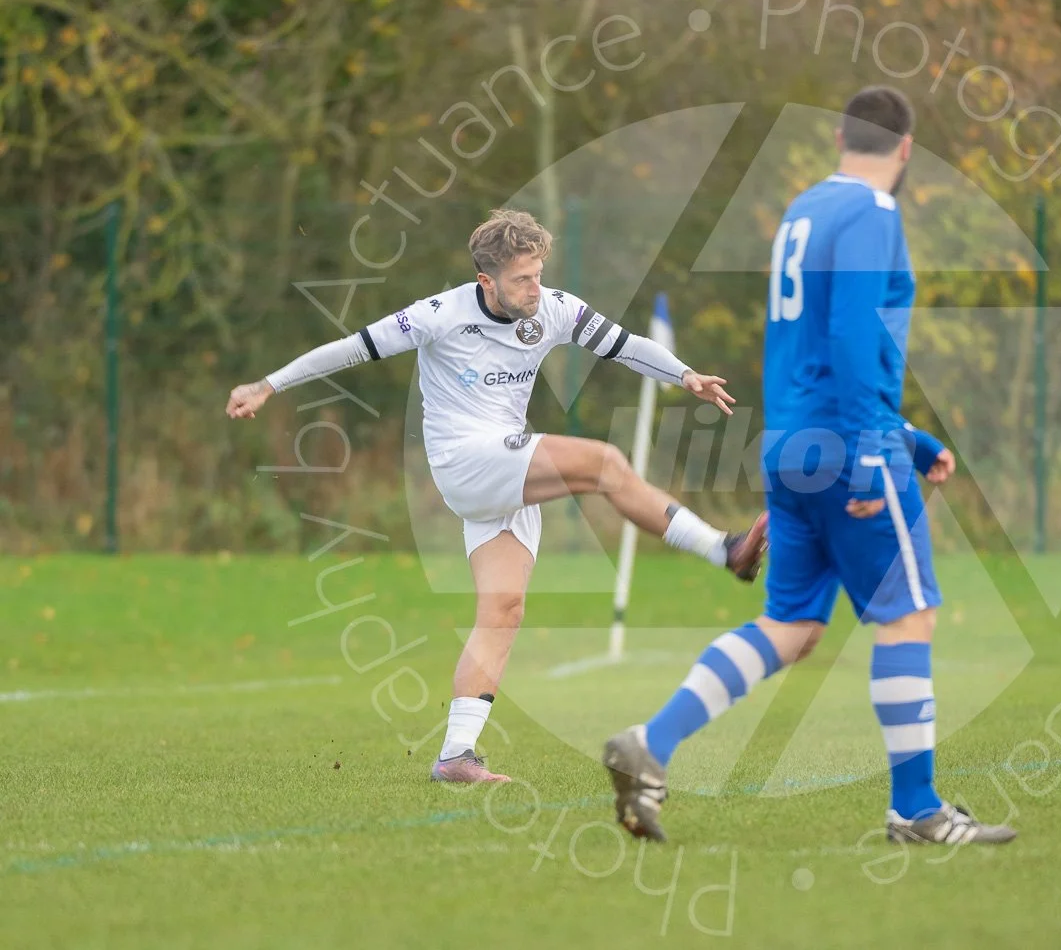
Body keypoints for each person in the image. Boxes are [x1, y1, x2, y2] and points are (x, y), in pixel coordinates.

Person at [602, 87, 1016, 845]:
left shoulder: (803, 211)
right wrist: (873, 457)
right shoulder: (873, 213)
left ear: (837, 138)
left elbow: (815, 349)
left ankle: (650, 744)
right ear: (905, 148)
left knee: (791, 625)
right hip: (850, 451)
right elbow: (857, 337)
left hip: (790, 449)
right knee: (907, 615)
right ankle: (916, 810)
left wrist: (912, 440)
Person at [226, 208, 768, 784]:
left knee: (502, 612)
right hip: (466, 460)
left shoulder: (551, 307)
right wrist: (267, 385)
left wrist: (684, 375)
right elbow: (351, 349)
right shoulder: (437, 316)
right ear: (486, 281)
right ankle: (723, 550)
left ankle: (457, 755)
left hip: (505, 466)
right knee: (605, 463)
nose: (535, 288)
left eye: (537, 273)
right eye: (522, 279)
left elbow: (621, 344)